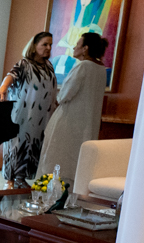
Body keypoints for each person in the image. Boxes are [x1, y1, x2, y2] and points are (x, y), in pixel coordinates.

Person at [37, 32, 109, 181]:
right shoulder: (101, 69)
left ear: (85, 48)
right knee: (77, 160)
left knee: (57, 157)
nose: (75, 47)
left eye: (78, 44)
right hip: (87, 123)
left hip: (69, 121)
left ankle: (51, 190)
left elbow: (64, 95)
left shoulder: (83, 66)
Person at [0, 31, 57, 186]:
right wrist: (3, 88)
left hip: (41, 117)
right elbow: (11, 75)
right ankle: (10, 180)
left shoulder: (49, 66)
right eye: (45, 44)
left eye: (50, 44)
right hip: (23, 114)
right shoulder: (24, 64)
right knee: (16, 145)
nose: (49, 48)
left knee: (33, 146)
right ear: (34, 46)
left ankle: (21, 178)